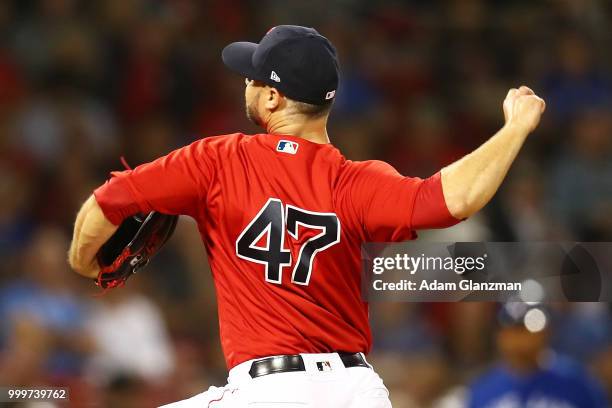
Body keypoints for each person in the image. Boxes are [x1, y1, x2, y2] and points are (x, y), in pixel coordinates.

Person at [68, 25, 546, 407]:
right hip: (357, 391)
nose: (247, 84)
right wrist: (515, 128)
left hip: (268, 391)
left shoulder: (217, 161)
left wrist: (84, 261)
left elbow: (108, 201)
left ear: (273, 97)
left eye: (253, 77)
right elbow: (453, 199)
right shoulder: (356, 181)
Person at [468, 304, 608, 408]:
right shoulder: (483, 389)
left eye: (530, 330)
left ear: (546, 332)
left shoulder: (577, 382)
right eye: (515, 331)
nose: (523, 340)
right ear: (500, 336)